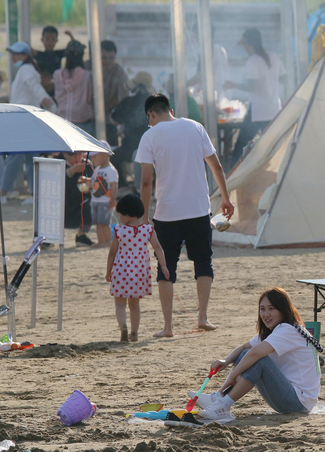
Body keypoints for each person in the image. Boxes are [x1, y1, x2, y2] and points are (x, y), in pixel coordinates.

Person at [135, 94, 234, 337]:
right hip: (199, 209)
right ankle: (203, 317)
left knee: (166, 267)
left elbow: (146, 181)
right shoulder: (195, 126)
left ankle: (168, 327)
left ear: (151, 115)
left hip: (167, 212)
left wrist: (143, 215)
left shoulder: (150, 135)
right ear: (170, 109)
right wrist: (225, 197)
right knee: (203, 261)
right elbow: (216, 166)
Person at [192, 287, 322, 420]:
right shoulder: (276, 330)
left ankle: (223, 405)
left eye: (271, 309)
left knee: (259, 360)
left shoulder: (288, 329)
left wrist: (233, 376)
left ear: (283, 310)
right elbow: (244, 347)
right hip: (290, 396)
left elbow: (255, 354)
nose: (266, 314)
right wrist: (226, 360)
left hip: (298, 402)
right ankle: (219, 398)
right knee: (246, 353)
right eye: (262, 309)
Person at [105, 194, 169, 342]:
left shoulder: (119, 231)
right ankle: (134, 332)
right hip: (140, 272)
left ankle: (123, 327)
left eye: (120, 214)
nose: (119, 217)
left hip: (121, 271)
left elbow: (112, 252)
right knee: (135, 304)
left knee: (120, 303)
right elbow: (158, 248)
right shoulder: (148, 230)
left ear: (127, 216)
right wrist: (163, 265)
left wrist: (108, 271)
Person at [225, 28, 287, 168]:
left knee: (240, 149)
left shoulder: (253, 60)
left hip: (257, 112)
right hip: (274, 110)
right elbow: (285, 79)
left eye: (245, 46)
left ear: (248, 44)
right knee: (274, 146)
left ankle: (229, 180)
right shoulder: (274, 57)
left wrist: (233, 85)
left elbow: (253, 86)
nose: (245, 49)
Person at [3, 41, 54, 202]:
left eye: (17, 54)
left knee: (21, 157)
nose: (14, 57)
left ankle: (7, 191)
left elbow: (34, 87)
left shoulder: (25, 70)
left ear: (26, 56)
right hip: (24, 119)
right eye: (13, 54)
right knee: (27, 158)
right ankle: (28, 192)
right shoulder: (26, 69)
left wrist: (45, 99)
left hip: (24, 119)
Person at [111, 71, 156, 192]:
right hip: (151, 147)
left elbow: (114, 119)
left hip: (129, 147)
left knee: (112, 159)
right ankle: (154, 186)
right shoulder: (155, 104)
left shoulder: (128, 101)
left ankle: (123, 186)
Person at [86, 40, 129, 147]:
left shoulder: (119, 72)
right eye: (104, 58)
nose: (107, 61)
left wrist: (123, 122)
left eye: (111, 58)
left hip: (109, 122)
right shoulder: (87, 67)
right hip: (87, 120)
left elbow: (125, 99)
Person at [53, 40, 94, 135]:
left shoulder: (57, 74)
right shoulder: (87, 76)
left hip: (62, 121)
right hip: (83, 121)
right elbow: (89, 98)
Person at [63, 152, 95, 247]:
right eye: (72, 155)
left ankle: (81, 235)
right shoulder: (59, 164)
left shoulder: (88, 165)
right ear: (65, 154)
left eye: (79, 154)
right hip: (62, 207)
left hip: (79, 208)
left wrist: (89, 184)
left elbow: (96, 187)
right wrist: (70, 172)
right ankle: (48, 238)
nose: (76, 158)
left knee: (91, 205)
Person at [90, 147, 118, 247]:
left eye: (94, 157)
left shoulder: (111, 170)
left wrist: (113, 199)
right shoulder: (96, 169)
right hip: (95, 200)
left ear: (105, 156)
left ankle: (107, 241)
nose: (92, 160)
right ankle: (100, 241)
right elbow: (93, 182)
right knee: (98, 222)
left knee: (104, 222)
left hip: (105, 200)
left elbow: (114, 186)